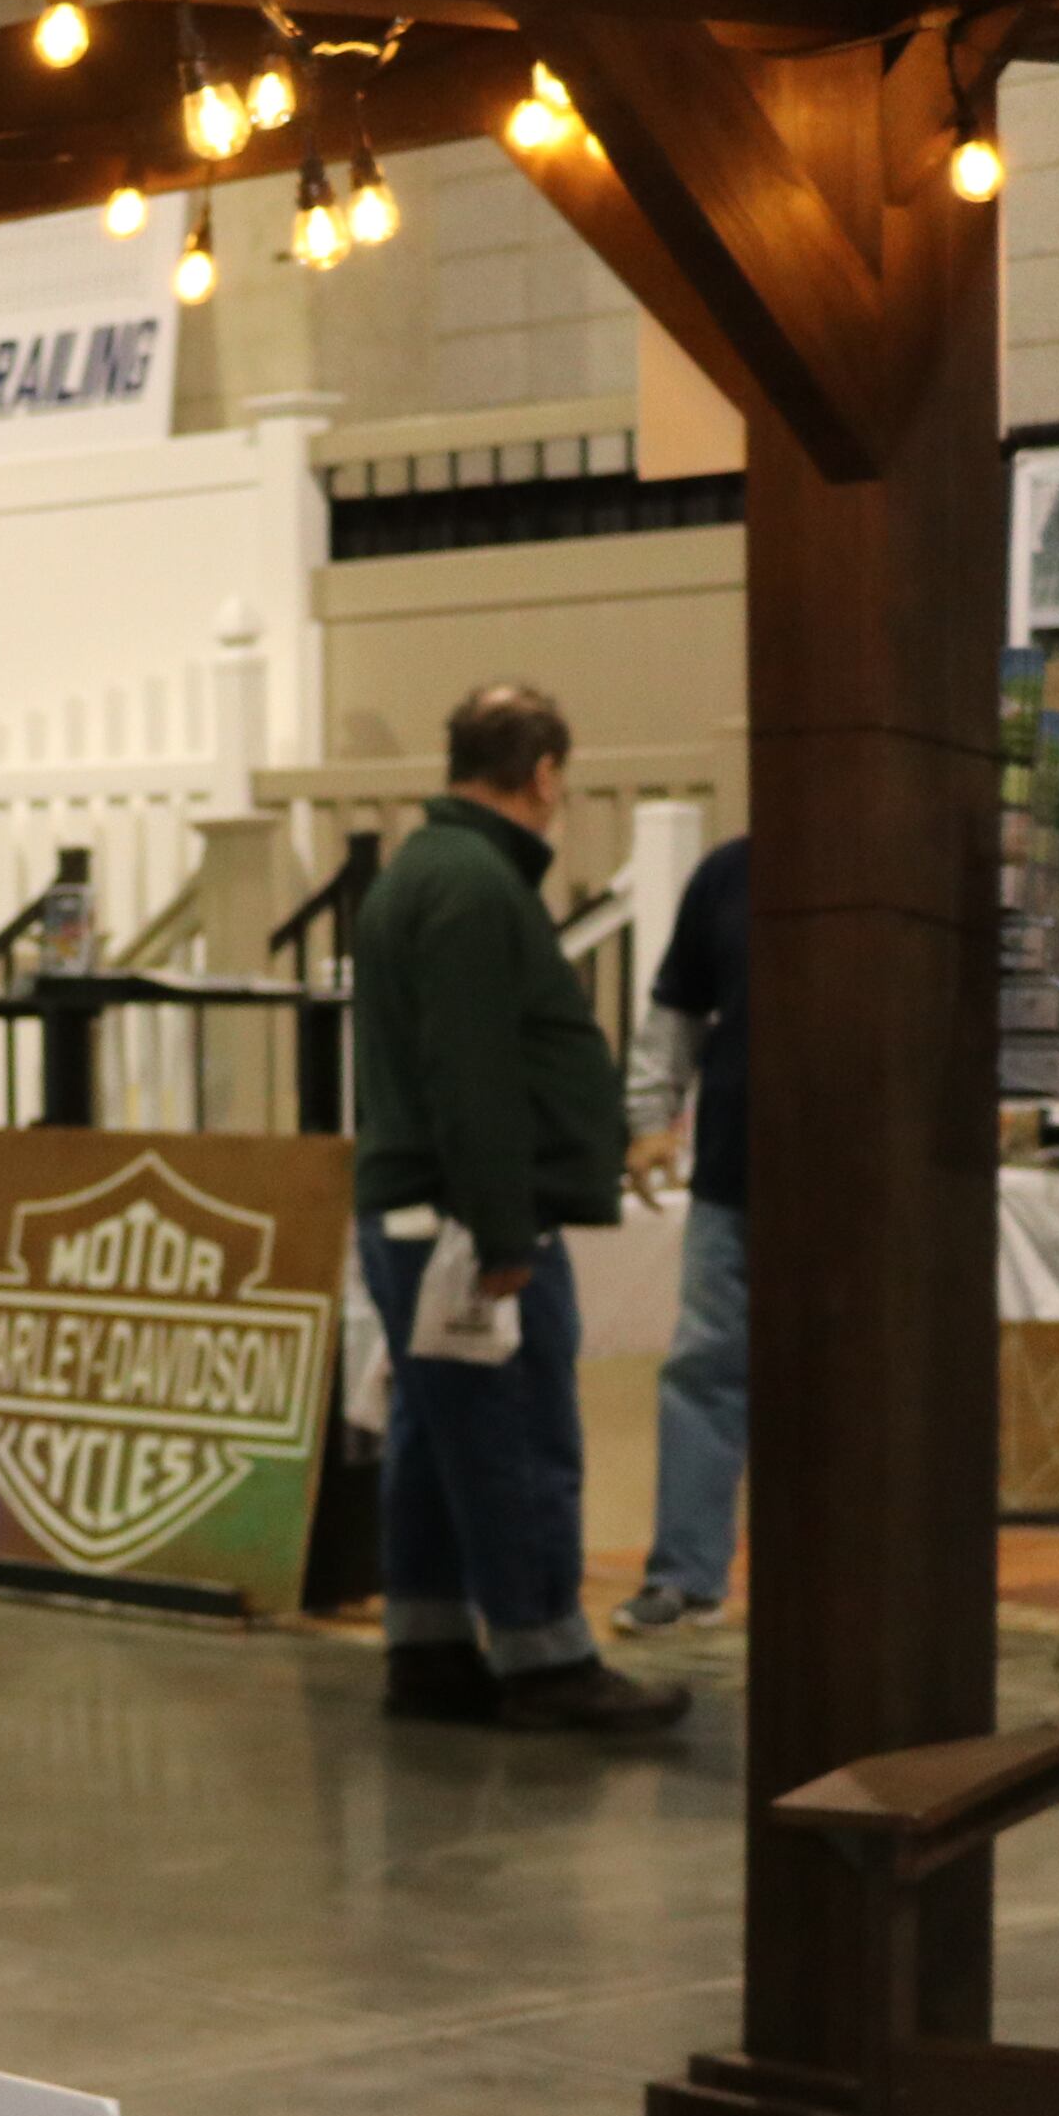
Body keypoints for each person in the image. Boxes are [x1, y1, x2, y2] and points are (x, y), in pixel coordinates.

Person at [350, 685, 682, 1734]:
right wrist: (502, 1231)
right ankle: (547, 1660)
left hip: (422, 1210)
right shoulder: (473, 885)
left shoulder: (423, 870)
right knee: (516, 1437)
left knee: (434, 1438)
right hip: (468, 1220)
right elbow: (475, 1075)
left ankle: (430, 1649)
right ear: (542, 774)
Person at [618, 834, 750, 1633]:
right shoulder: (728, 874)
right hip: (734, 1172)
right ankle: (686, 1575)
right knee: (704, 1368)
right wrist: (649, 1120)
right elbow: (676, 1012)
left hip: (871, 1188)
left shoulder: (906, 861)